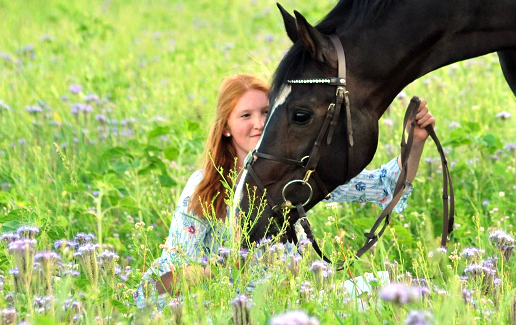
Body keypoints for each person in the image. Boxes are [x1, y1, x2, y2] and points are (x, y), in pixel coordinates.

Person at [135, 73, 435, 306]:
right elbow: (171, 277)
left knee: (398, 289)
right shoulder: (205, 185)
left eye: (267, 113)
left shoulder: (296, 176)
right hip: (222, 307)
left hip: (288, 304)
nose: (259, 123)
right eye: (245, 115)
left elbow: (383, 186)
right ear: (225, 127)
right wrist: (235, 263)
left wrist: (416, 140)